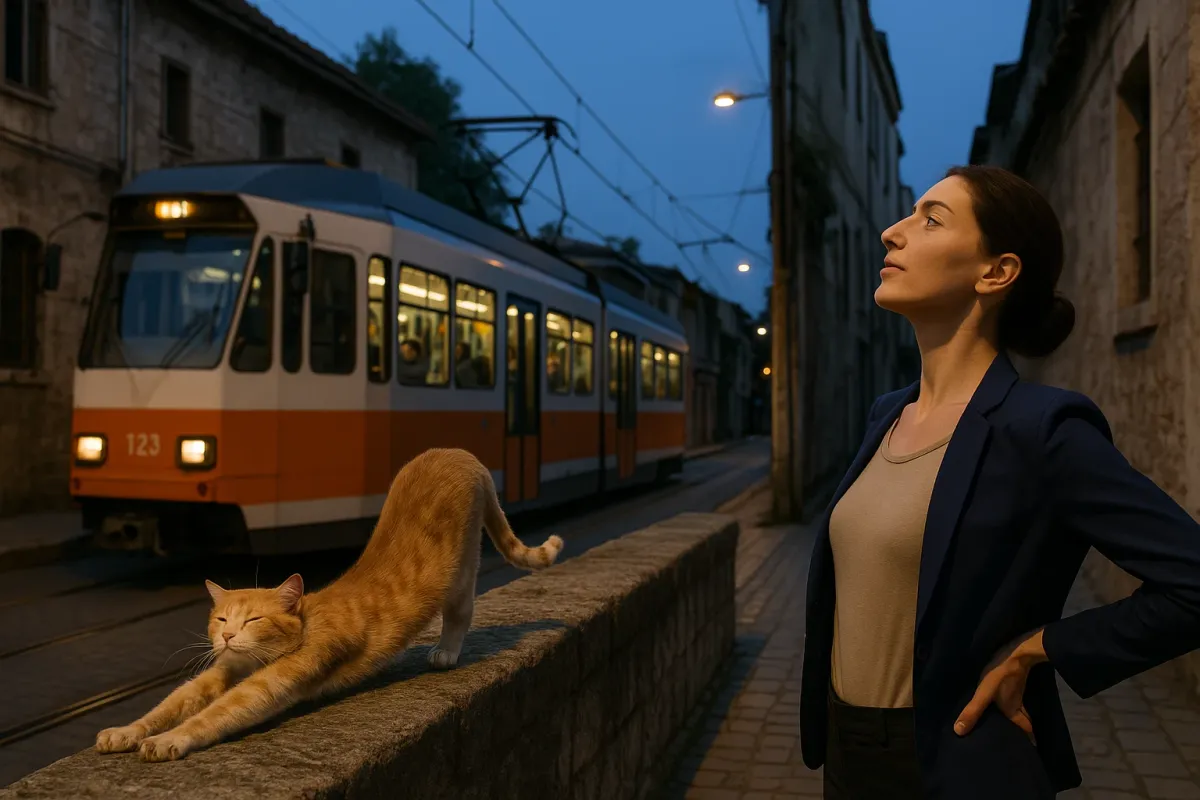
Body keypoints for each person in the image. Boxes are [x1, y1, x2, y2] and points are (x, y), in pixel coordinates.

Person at [799, 164, 1200, 799]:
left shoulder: (1042, 428)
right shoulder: (885, 415)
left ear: (996, 272)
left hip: (960, 763)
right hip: (849, 757)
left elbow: (1192, 582)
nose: (890, 233)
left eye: (930, 219)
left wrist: (1042, 648)